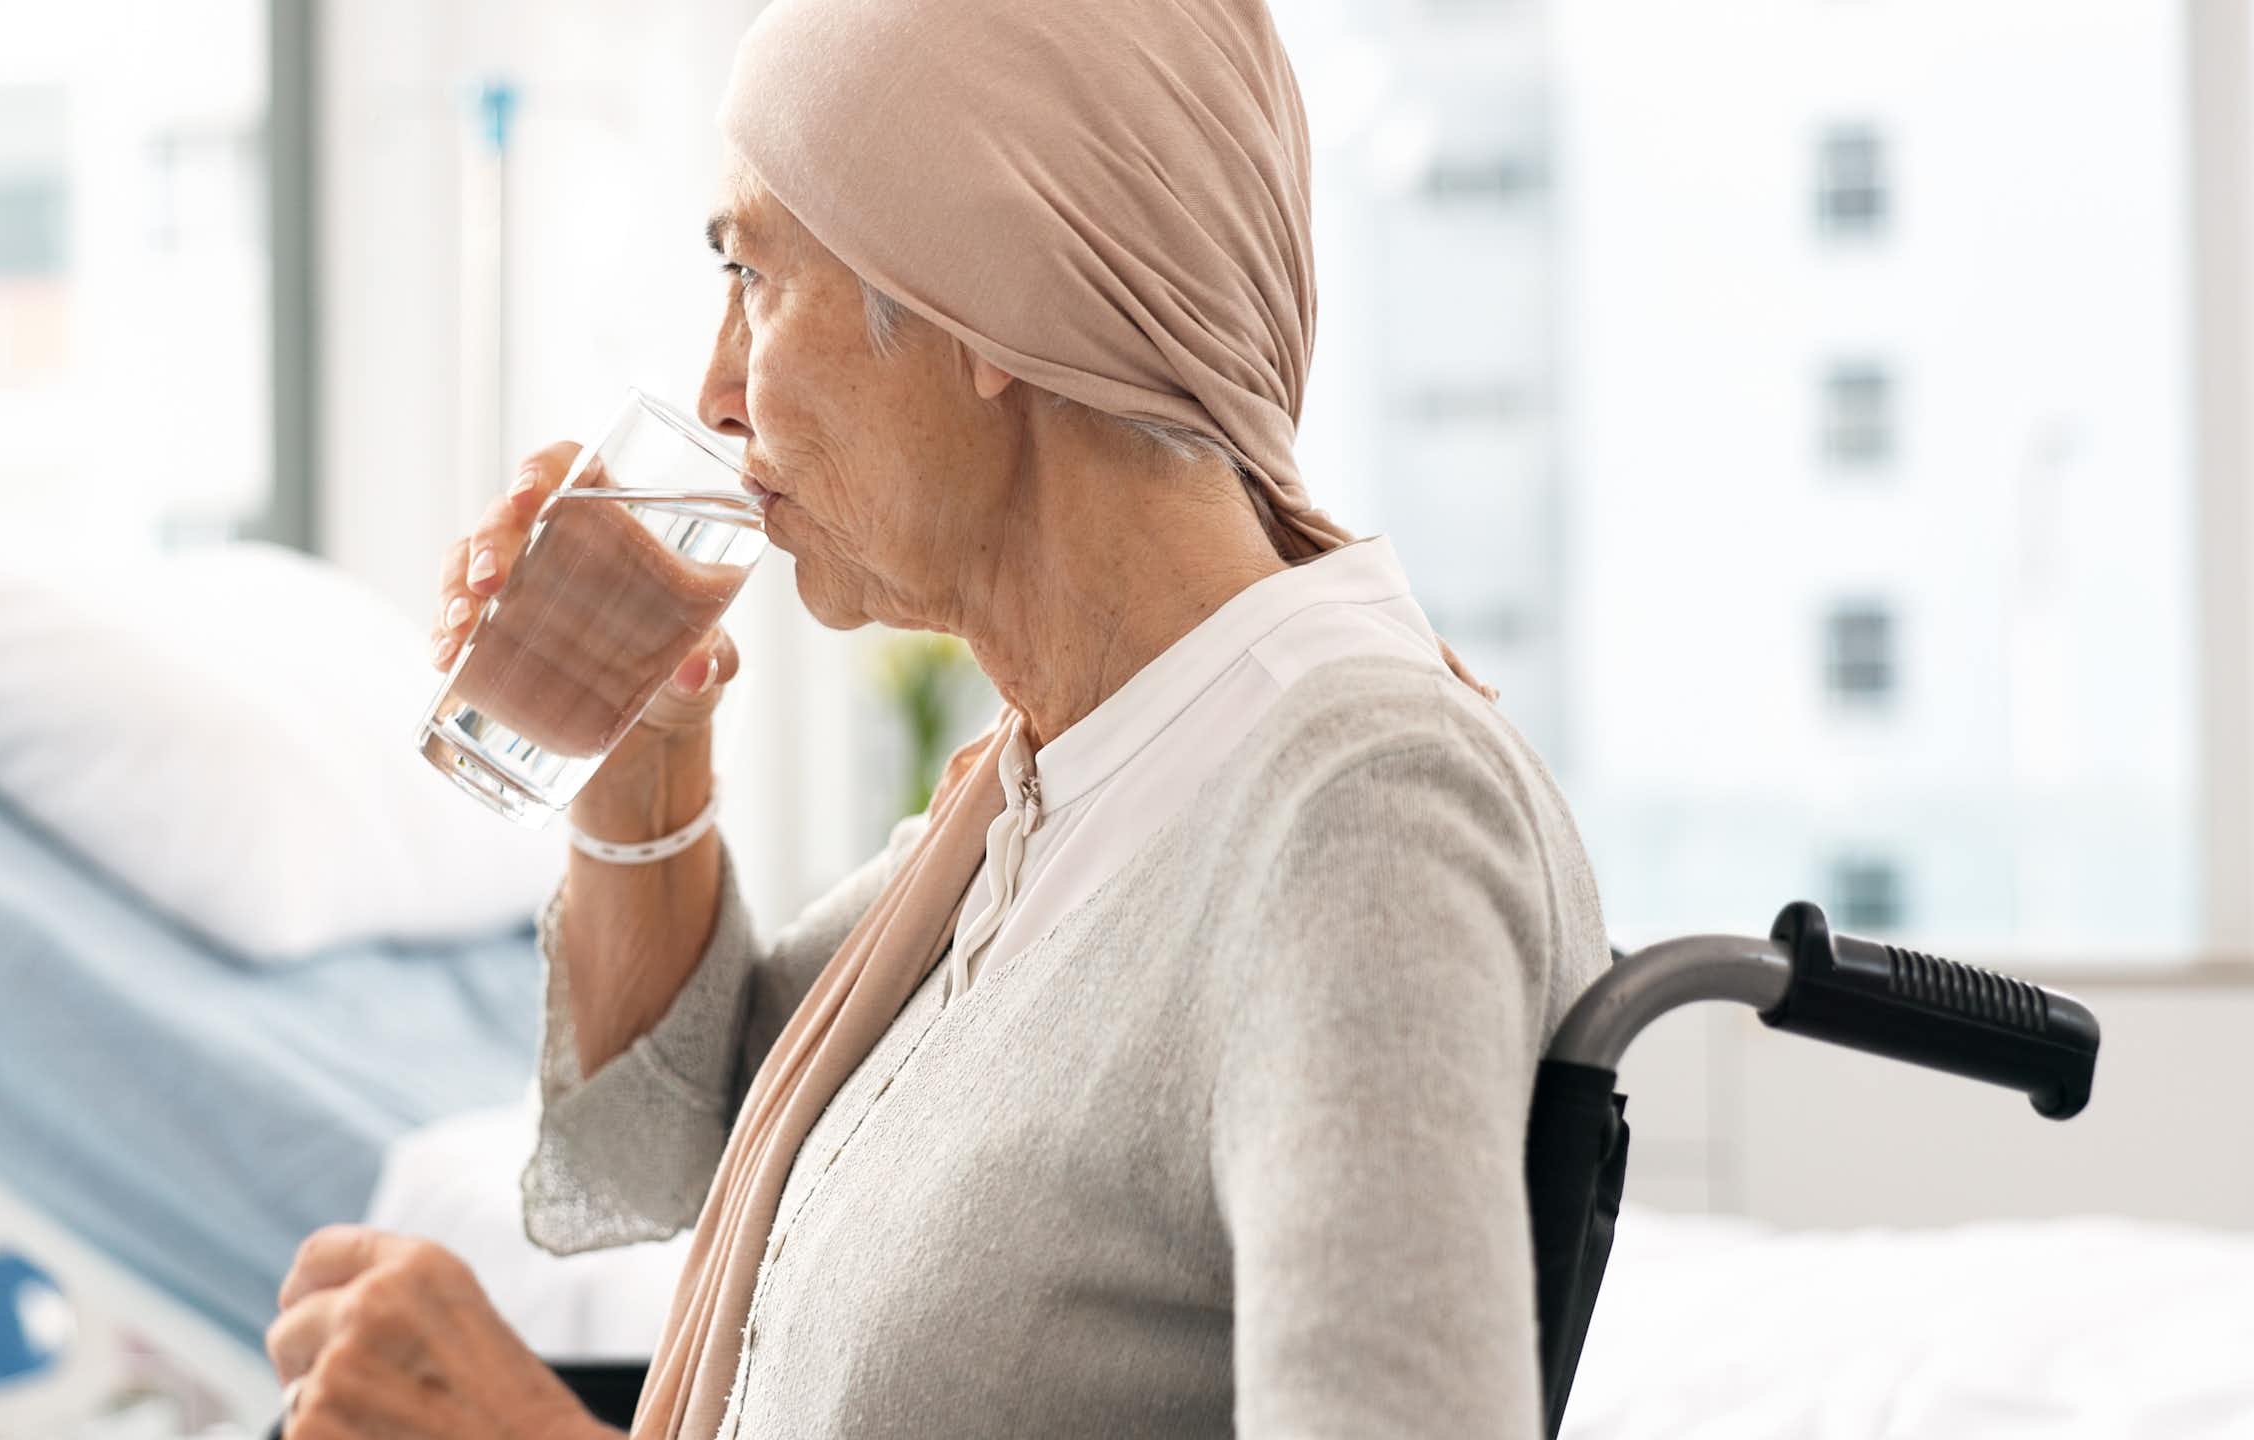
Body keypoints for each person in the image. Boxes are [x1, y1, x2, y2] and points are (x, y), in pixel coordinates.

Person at [266, 0, 1607, 1434]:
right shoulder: (1064, 786)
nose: (719, 391)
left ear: (991, 307)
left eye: (755, 276)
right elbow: (674, 1153)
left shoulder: (1356, 810)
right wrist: (642, 762)